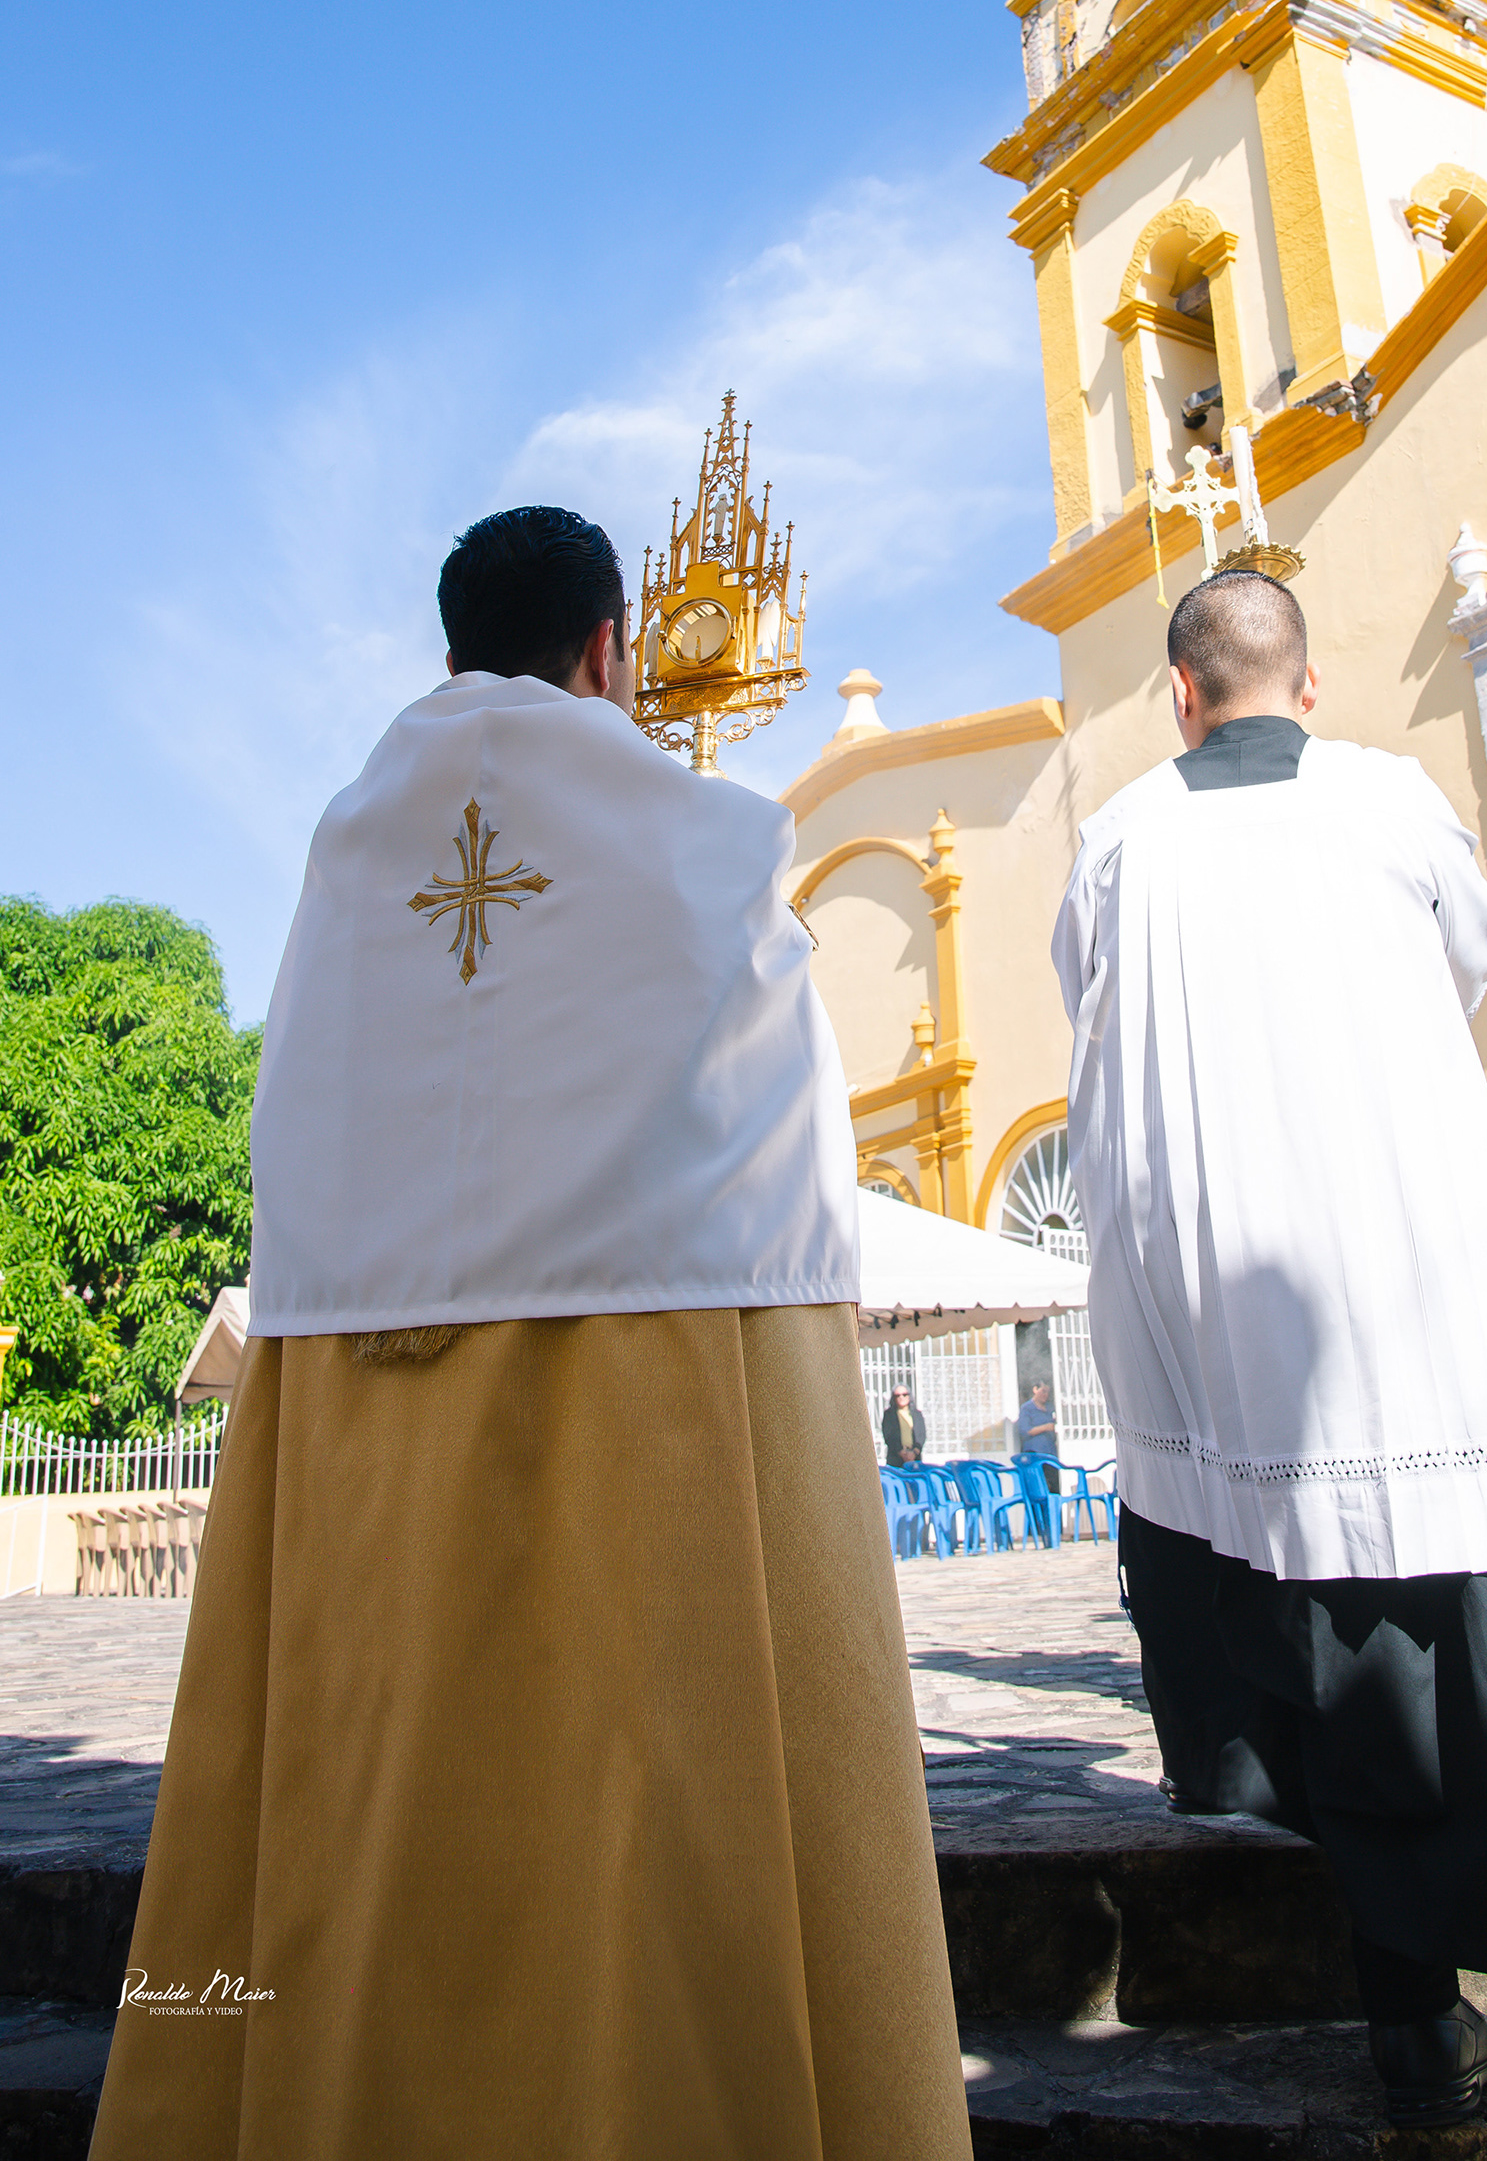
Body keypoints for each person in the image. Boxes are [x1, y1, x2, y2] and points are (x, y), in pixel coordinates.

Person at [92, 506, 969, 2161]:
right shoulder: (710, 843)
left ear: (450, 653)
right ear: (611, 650)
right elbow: (783, 1153)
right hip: (661, 1420)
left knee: (376, 1803)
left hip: (364, 1427)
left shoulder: (350, 852)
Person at [1052, 566, 1487, 2129]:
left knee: (1299, 1620)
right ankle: (1422, 2002)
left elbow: (1092, 1015)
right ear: (1308, 684)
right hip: (1412, 1269)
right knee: (1444, 1611)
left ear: (1179, 695)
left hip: (1234, 1304)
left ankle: (1405, 1989)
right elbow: (1468, 957)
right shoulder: (1391, 798)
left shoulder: (1117, 839)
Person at [882, 1383, 927, 1465]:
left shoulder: (917, 1414)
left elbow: (921, 1435)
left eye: (904, 1395)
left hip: (915, 1458)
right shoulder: (889, 1415)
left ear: (909, 1396)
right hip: (895, 1459)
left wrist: (914, 1452)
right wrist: (901, 1452)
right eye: (897, 1395)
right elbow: (888, 1436)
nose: (901, 1397)